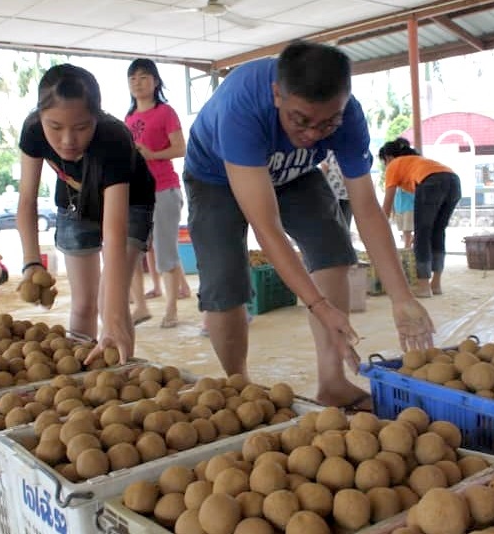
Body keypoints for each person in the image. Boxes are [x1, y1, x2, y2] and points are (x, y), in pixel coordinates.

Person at [183, 41, 435, 410]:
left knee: (333, 246)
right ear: (276, 95)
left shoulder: (348, 117)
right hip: (216, 177)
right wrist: (317, 304)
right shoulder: (242, 105)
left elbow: (365, 206)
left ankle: (332, 383)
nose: (314, 134)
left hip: (294, 173)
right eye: (301, 120)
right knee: (225, 282)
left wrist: (402, 297)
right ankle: (239, 386)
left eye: (327, 123)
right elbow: (265, 227)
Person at [17, 63, 155, 363]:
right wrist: (30, 263)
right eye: (55, 127)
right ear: (40, 116)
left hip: (130, 203)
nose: (68, 140)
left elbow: (115, 230)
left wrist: (116, 314)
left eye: (81, 127)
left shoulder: (114, 138)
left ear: (97, 117)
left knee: (111, 302)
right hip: (74, 200)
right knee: (82, 304)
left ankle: (119, 372)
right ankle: (79, 373)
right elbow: (27, 201)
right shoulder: (32, 132)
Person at [125, 58, 191, 329]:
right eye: (132, 79)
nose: (137, 83)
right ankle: (140, 307)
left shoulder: (166, 112)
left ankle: (171, 309)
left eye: (143, 77)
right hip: (136, 193)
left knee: (165, 252)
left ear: (155, 81)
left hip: (164, 188)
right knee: (131, 250)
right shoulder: (128, 118)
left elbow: (180, 148)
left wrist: (152, 154)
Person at [378, 139, 461, 298]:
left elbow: (387, 205)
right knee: (437, 232)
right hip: (454, 181)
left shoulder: (395, 165)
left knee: (422, 234)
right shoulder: (419, 161)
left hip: (431, 182)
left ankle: (423, 286)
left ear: (388, 158)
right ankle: (435, 284)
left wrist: (377, 229)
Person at [319, 150, 352, 230]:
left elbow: (324, 168)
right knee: (340, 226)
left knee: (338, 225)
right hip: (335, 194)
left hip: (343, 195)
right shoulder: (330, 151)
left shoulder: (330, 151)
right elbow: (324, 168)